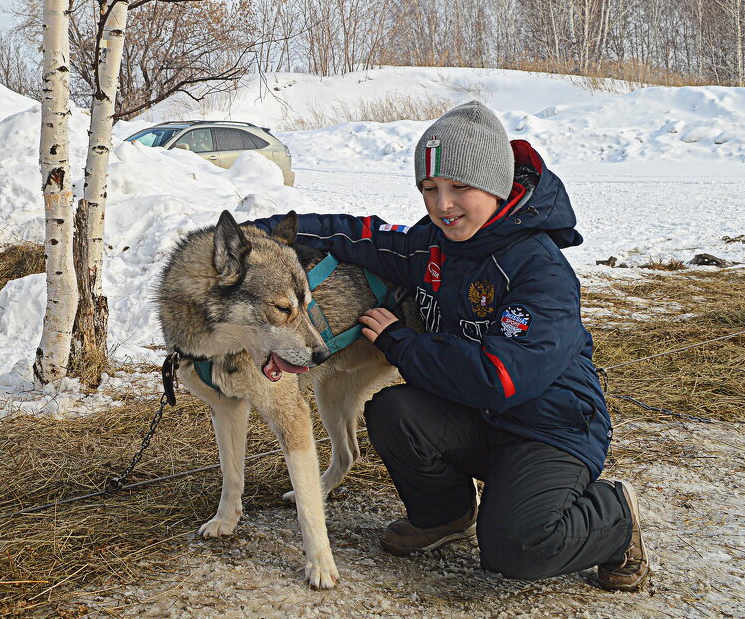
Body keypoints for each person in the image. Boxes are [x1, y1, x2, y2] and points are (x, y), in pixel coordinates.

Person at [251, 100, 649, 590]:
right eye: (430, 188)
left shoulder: (538, 269)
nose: (443, 205)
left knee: (515, 548)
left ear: (497, 185)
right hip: (478, 418)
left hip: (548, 427)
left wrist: (401, 343)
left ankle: (615, 517)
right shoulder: (433, 243)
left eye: (460, 187)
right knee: (395, 411)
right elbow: (361, 235)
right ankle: (445, 515)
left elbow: (499, 379)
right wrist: (262, 238)